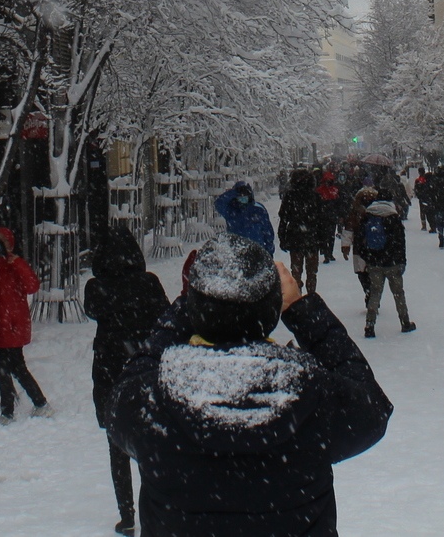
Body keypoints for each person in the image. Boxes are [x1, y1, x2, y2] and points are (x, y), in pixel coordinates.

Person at [108, 234, 392, 536]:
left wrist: (189, 307)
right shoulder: (310, 391)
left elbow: (124, 389)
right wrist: (300, 309)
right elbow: (371, 406)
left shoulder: (154, 398)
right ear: (272, 310)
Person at [85, 228, 171, 535]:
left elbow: (92, 311)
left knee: (116, 444)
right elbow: (165, 312)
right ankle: (155, 507)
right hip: (144, 365)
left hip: (110, 368)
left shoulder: (96, 287)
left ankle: (127, 513)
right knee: (153, 441)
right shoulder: (149, 283)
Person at [0, 225, 51, 423]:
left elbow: (32, 286)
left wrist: (18, 264)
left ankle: (14, 410)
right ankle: (29, 405)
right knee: (8, 368)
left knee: (10, 368)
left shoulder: (14, 266)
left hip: (13, 325)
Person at [354, 195, 415, 338]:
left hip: (374, 262)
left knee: (375, 292)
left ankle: (370, 325)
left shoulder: (368, 216)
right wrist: (401, 261)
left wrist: (368, 256)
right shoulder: (393, 217)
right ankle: (405, 322)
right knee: (398, 293)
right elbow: (401, 242)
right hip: (393, 262)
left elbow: (358, 240)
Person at [278, 171, 324, 297]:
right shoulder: (315, 196)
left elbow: (283, 219)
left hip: (295, 238)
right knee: (312, 272)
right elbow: (322, 220)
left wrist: (283, 238)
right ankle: (311, 296)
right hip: (312, 239)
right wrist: (323, 240)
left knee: (296, 271)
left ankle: (297, 295)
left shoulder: (290, 197)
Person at [217, 181, 277, 254]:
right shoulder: (231, 210)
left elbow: (267, 230)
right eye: (240, 196)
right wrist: (233, 192)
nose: (242, 198)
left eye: (245, 195)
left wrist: (269, 250)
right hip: (236, 251)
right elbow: (218, 203)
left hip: (257, 251)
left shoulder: (258, 209)